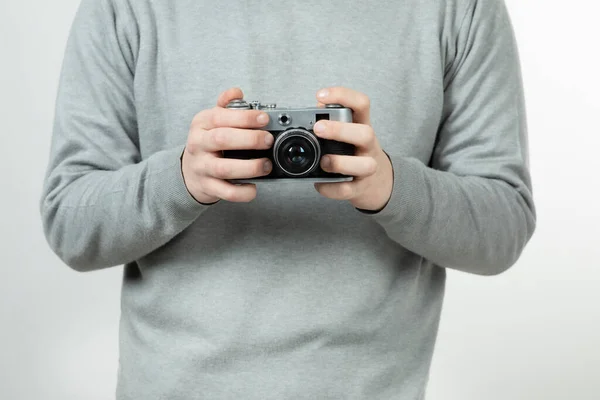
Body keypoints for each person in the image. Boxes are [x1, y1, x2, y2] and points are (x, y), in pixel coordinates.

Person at [40, 0, 536, 398]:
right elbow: (70, 224)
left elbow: (502, 227)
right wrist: (183, 178)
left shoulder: (460, 8)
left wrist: (391, 186)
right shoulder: (123, 7)